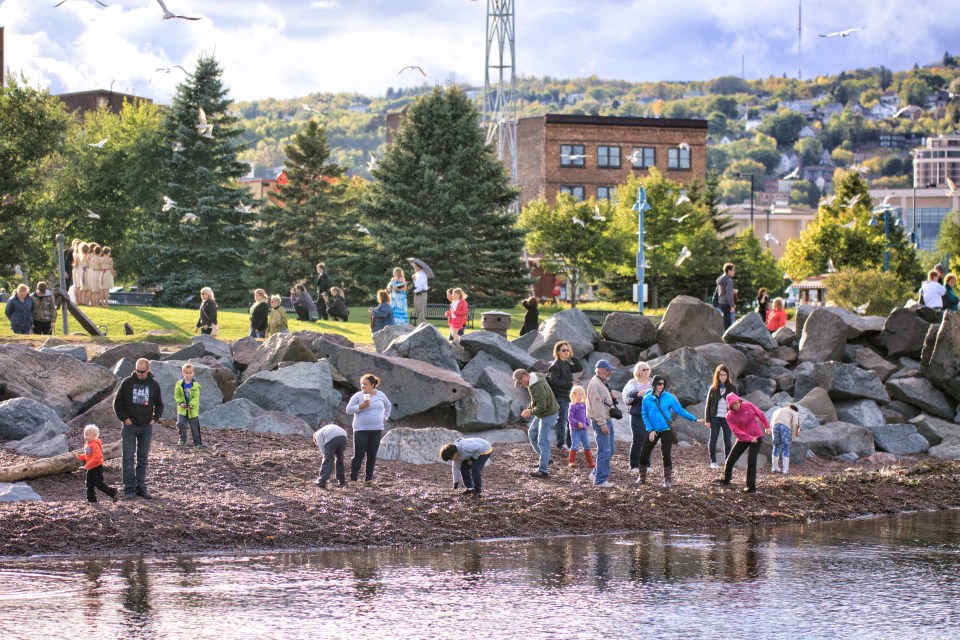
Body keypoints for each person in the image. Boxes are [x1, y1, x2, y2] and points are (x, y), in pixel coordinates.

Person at [639, 375, 702, 487]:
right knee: (644, 452)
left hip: (666, 429)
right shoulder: (647, 398)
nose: (662, 386)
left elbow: (680, 410)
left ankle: (667, 480)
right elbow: (644, 415)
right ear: (654, 384)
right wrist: (650, 430)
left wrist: (695, 419)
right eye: (659, 384)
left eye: (663, 384)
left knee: (666, 454)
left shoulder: (668, 397)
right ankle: (642, 477)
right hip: (653, 429)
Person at [113, 358, 163, 500]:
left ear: (148, 370)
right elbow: (117, 403)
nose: (139, 374)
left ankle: (141, 488)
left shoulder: (154, 385)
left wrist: (154, 419)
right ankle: (129, 488)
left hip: (146, 426)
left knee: (143, 459)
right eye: (137, 371)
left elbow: (159, 405)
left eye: (142, 371)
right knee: (128, 458)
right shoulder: (127, 383)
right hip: (130, 426)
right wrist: (124, 419)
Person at [714, 393, 770, 493]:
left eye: (738, 402)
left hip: (756, 437)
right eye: (734, 404)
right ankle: (726, 480)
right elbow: (736, 431)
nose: (737, 405)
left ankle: (751, 487)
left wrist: (767, 426)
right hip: (743, 438)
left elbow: (760, 414)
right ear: (730, 406)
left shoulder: (747, 405)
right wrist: (749, 438)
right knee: (730, 460)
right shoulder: (729, 416)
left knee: (751, 461)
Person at [513, 367, 559, 478]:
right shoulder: (533, 380)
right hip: (542, 414)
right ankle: (546, 459)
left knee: (543, 442)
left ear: (525, 376)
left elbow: (542, 406)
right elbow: (535, 400)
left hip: (548, 415)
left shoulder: (536, 385)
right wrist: (529, 408)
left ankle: (543, 470)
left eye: (520, 383)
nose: (521, 385)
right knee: (532, 434)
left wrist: (530, 412)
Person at [346, 373, 392, 482]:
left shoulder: (380, 395)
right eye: (362, 384)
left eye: (365, 384)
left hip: (376, 429)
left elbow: (388, 405)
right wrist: (361, 406)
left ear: (372, 385)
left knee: (371, 455)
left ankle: (368, 479)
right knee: (359, 454)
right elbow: (348, 410)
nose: (363, 386)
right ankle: (353, 479)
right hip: (361, 430)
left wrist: (385, 417)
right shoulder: (358, 396)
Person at [586, 359, 620, 488]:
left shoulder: (601, 382)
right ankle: (600, 480)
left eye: (610, 370)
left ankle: (595, 474)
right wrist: (602, 424)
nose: (609, 372)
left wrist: (612, 398)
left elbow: (603, 403)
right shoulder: (596, 384)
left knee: (609, 450)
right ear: (600, 370)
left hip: (606, 420)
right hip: (602, 421)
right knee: (604, 451)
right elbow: (597, 406)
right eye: (607, 370)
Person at [546, 340, 583, 453]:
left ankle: (571, 444)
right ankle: (561, 444)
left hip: (569, 396)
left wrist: (572, 355)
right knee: (562, 420)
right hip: (560, 396)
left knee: (571, 420)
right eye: (564, 350)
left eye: (567, 350)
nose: (566, 352)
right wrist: (570, 383)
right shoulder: (555, 365)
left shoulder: (566, 364)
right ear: (557, 352)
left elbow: (579, 368)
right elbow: (554, 381)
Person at [704, 364, 738, 470]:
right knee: (713, 439)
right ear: (717, 375)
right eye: (721, 375)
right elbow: (708, 404)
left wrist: (736, 419)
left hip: (728, 418)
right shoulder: (713, 388)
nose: (723, 377)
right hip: (715, 417)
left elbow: (737, 404)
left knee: (727, 440)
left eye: (725, 375)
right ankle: (713, 461)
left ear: (727, 375)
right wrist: (707, 419)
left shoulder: (732, 388)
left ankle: (728, 462)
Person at [623, 361, 653, 474]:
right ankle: (634, 465)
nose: (646, 371)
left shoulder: (653, 382)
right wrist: (638, 395)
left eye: (647, 369)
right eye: (643, 369)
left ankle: (647, 464)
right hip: (637, 415)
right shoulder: (632, 383)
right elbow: (626, 399)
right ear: (638, 371)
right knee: (638, 439)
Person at [77, 425, 118, 503]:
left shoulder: (95, 445)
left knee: (98, 484)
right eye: (85, 434)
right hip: (91, 467)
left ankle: (112, 492)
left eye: (87, 435)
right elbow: (88, 454)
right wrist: (81, 457)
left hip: (97, 467)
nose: (85, 436)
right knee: (89, 484)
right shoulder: (88, 444)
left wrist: (87, 465)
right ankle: (91, 499)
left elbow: (97, 457)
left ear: (94, 436)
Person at [175, 363, 203, 449]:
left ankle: (197, 443)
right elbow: (177, 395)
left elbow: (196, 397)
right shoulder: (179, 384)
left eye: (190, 373)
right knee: (180, 423)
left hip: (192, 409)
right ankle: (182, 439)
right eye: (186, 373)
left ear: (193, 373)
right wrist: (180, 403)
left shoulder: (195, 385)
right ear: (183, 373)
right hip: (182, 409)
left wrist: (191, 404)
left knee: (194, 427)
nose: (188, 375)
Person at [567, 385, 594, 469]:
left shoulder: (584, 405)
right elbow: (570, 418)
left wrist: (587, 424)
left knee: (587, 445)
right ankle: (571, 462)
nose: (581, 396)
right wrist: (577, 422)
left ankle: (591, 463)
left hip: (583, 430)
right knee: (575, 445)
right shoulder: (572, 406)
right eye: (579, 394)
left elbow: (586, 416)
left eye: (582, 394)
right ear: (574, 395)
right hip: (575, 429)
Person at [313, 423, 348, 488]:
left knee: (327, 459)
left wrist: (330, 458)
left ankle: (322, 481)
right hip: (343, 436)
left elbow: (324, 452)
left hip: (332, 437)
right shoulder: (324, 430)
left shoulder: (317, 435)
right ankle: (341, 480)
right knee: (340, 458)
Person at [770, 404, 801, 474]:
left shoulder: (778, 410)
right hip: (785, 427)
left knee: (776, 446)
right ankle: (785, 470)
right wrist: (791, 437)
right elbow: (795, 424)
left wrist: (771, 430)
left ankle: (774, 468)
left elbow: (772, 422)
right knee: (786, 447)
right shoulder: (794, 412)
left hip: (775, 426)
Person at [715, 262, 736, 330]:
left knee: (725, 321)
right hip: (726, 304)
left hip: (721, 302)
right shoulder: (728, 281)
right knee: (727, 324)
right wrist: (732, 305)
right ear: (729, 271)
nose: (734, 272)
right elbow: (729, 295)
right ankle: (723, 335)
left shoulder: (721, 278)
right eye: (733, 270)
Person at [87, 244, 103, 309]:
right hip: (98, 273)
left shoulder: (92, 259)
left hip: (92, 273)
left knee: (94, 291)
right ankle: (97, 304)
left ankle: (93, 304)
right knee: (98, 291)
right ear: (100, 252)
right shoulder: (100, 259)